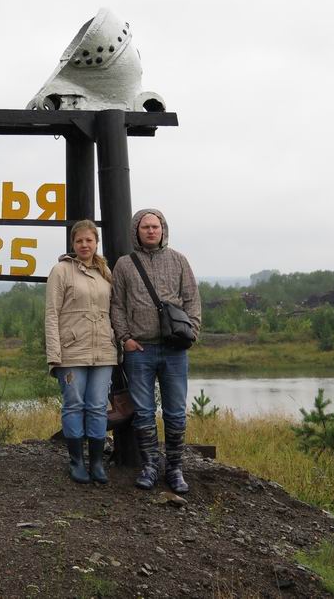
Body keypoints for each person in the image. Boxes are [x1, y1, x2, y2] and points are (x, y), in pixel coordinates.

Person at [110, 209, 201, 493]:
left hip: (174, 350)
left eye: (156, 226)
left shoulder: (179, 261)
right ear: (136, 230)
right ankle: (149, 467)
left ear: (163, 230)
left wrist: (192, 332)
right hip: (140, 350)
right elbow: (116, 305)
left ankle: (174, 469)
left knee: (175, 412)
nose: (151, 230)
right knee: (144, 412)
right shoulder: (125, 265)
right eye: (146, 226)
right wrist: (125, 338)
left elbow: (192, 299)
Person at [45, 220, 118, 484]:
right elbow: (51, 313)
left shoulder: (105, 272)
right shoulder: (61, 271)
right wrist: (54, 354)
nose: (84, 245)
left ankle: (97, 464)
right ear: (73, 244)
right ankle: (77, 462)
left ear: (96, 242)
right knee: (74, 404)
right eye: (79, 241)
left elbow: (113, 312)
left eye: (89, 240)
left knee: (98, 406)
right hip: (71, 351)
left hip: (103, 352)